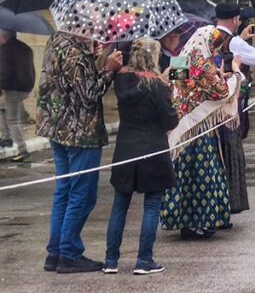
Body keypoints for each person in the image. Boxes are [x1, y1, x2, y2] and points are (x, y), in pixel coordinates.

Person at [36, 33, 122, 273]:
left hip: (58, 128)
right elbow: (90, 95)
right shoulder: (74, 52)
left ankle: (56, 252)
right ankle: (70, 253)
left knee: (64, 192)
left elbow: (71, 84)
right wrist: (108, 68)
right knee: (81, 195)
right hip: (79, 132)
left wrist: (91, 57)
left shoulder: (57, 41)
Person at [103, 38, 179, 276]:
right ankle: (144, 260)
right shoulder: (156, 86)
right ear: (152, 58)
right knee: (152, 204)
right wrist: (168, 88)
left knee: (120, 205)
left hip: (126, 148)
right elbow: (170, 121)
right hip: (153, 149)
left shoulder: (121, 80)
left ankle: (110, 260)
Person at [160, 26, 242, 240]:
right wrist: (236, 73)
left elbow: (181, 82)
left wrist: (215, 76)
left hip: (182, 127)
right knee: (204, 172)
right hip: (199, 130)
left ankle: (184, 220)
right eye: (213, 48)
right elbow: (222, 91)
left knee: (183, 174)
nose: (214, 53)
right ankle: (203, 220)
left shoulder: (182, 59)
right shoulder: (204, 64)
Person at [214, 3, 255, 217]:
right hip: (227, 111)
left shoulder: (219, 39)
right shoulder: (232, 44)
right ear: (235, 20)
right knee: (228, 154)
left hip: (207, 113)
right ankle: (225, 207)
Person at [0, 30, 35, 162]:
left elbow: (4, 71)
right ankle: (6, 137)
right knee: (2, 106)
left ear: (4, 35)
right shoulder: (25, 47)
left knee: (14, 120)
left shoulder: (5, 49)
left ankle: (23, 151)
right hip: (24, 88)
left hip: (11, 88)